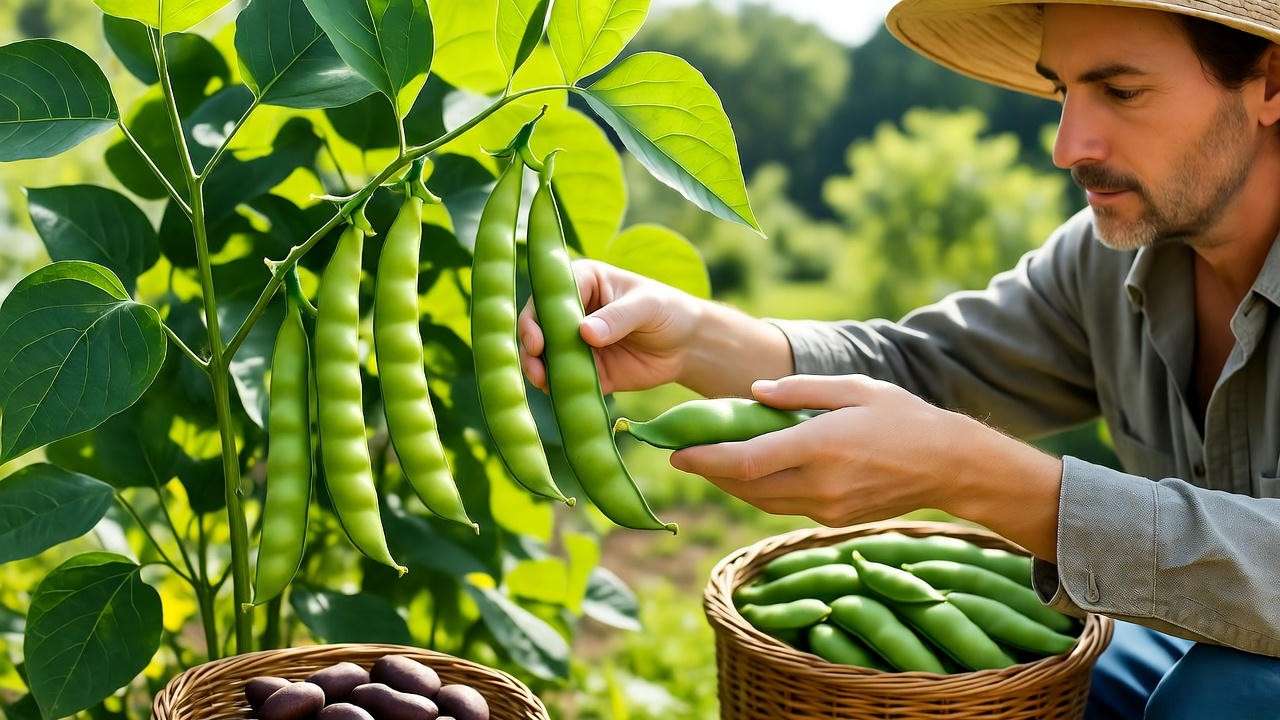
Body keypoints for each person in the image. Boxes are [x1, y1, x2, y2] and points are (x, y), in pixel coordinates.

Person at [519, 1, 1280, 717]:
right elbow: (924, 365)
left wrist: (981, 476)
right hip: (1198, 639)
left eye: (1120, 90)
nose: (1068, 146)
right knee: (1006, 667)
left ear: (1270, 81)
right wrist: (690, 336)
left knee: (1225, 695)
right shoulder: (1107, 263)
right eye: (1064, 91)